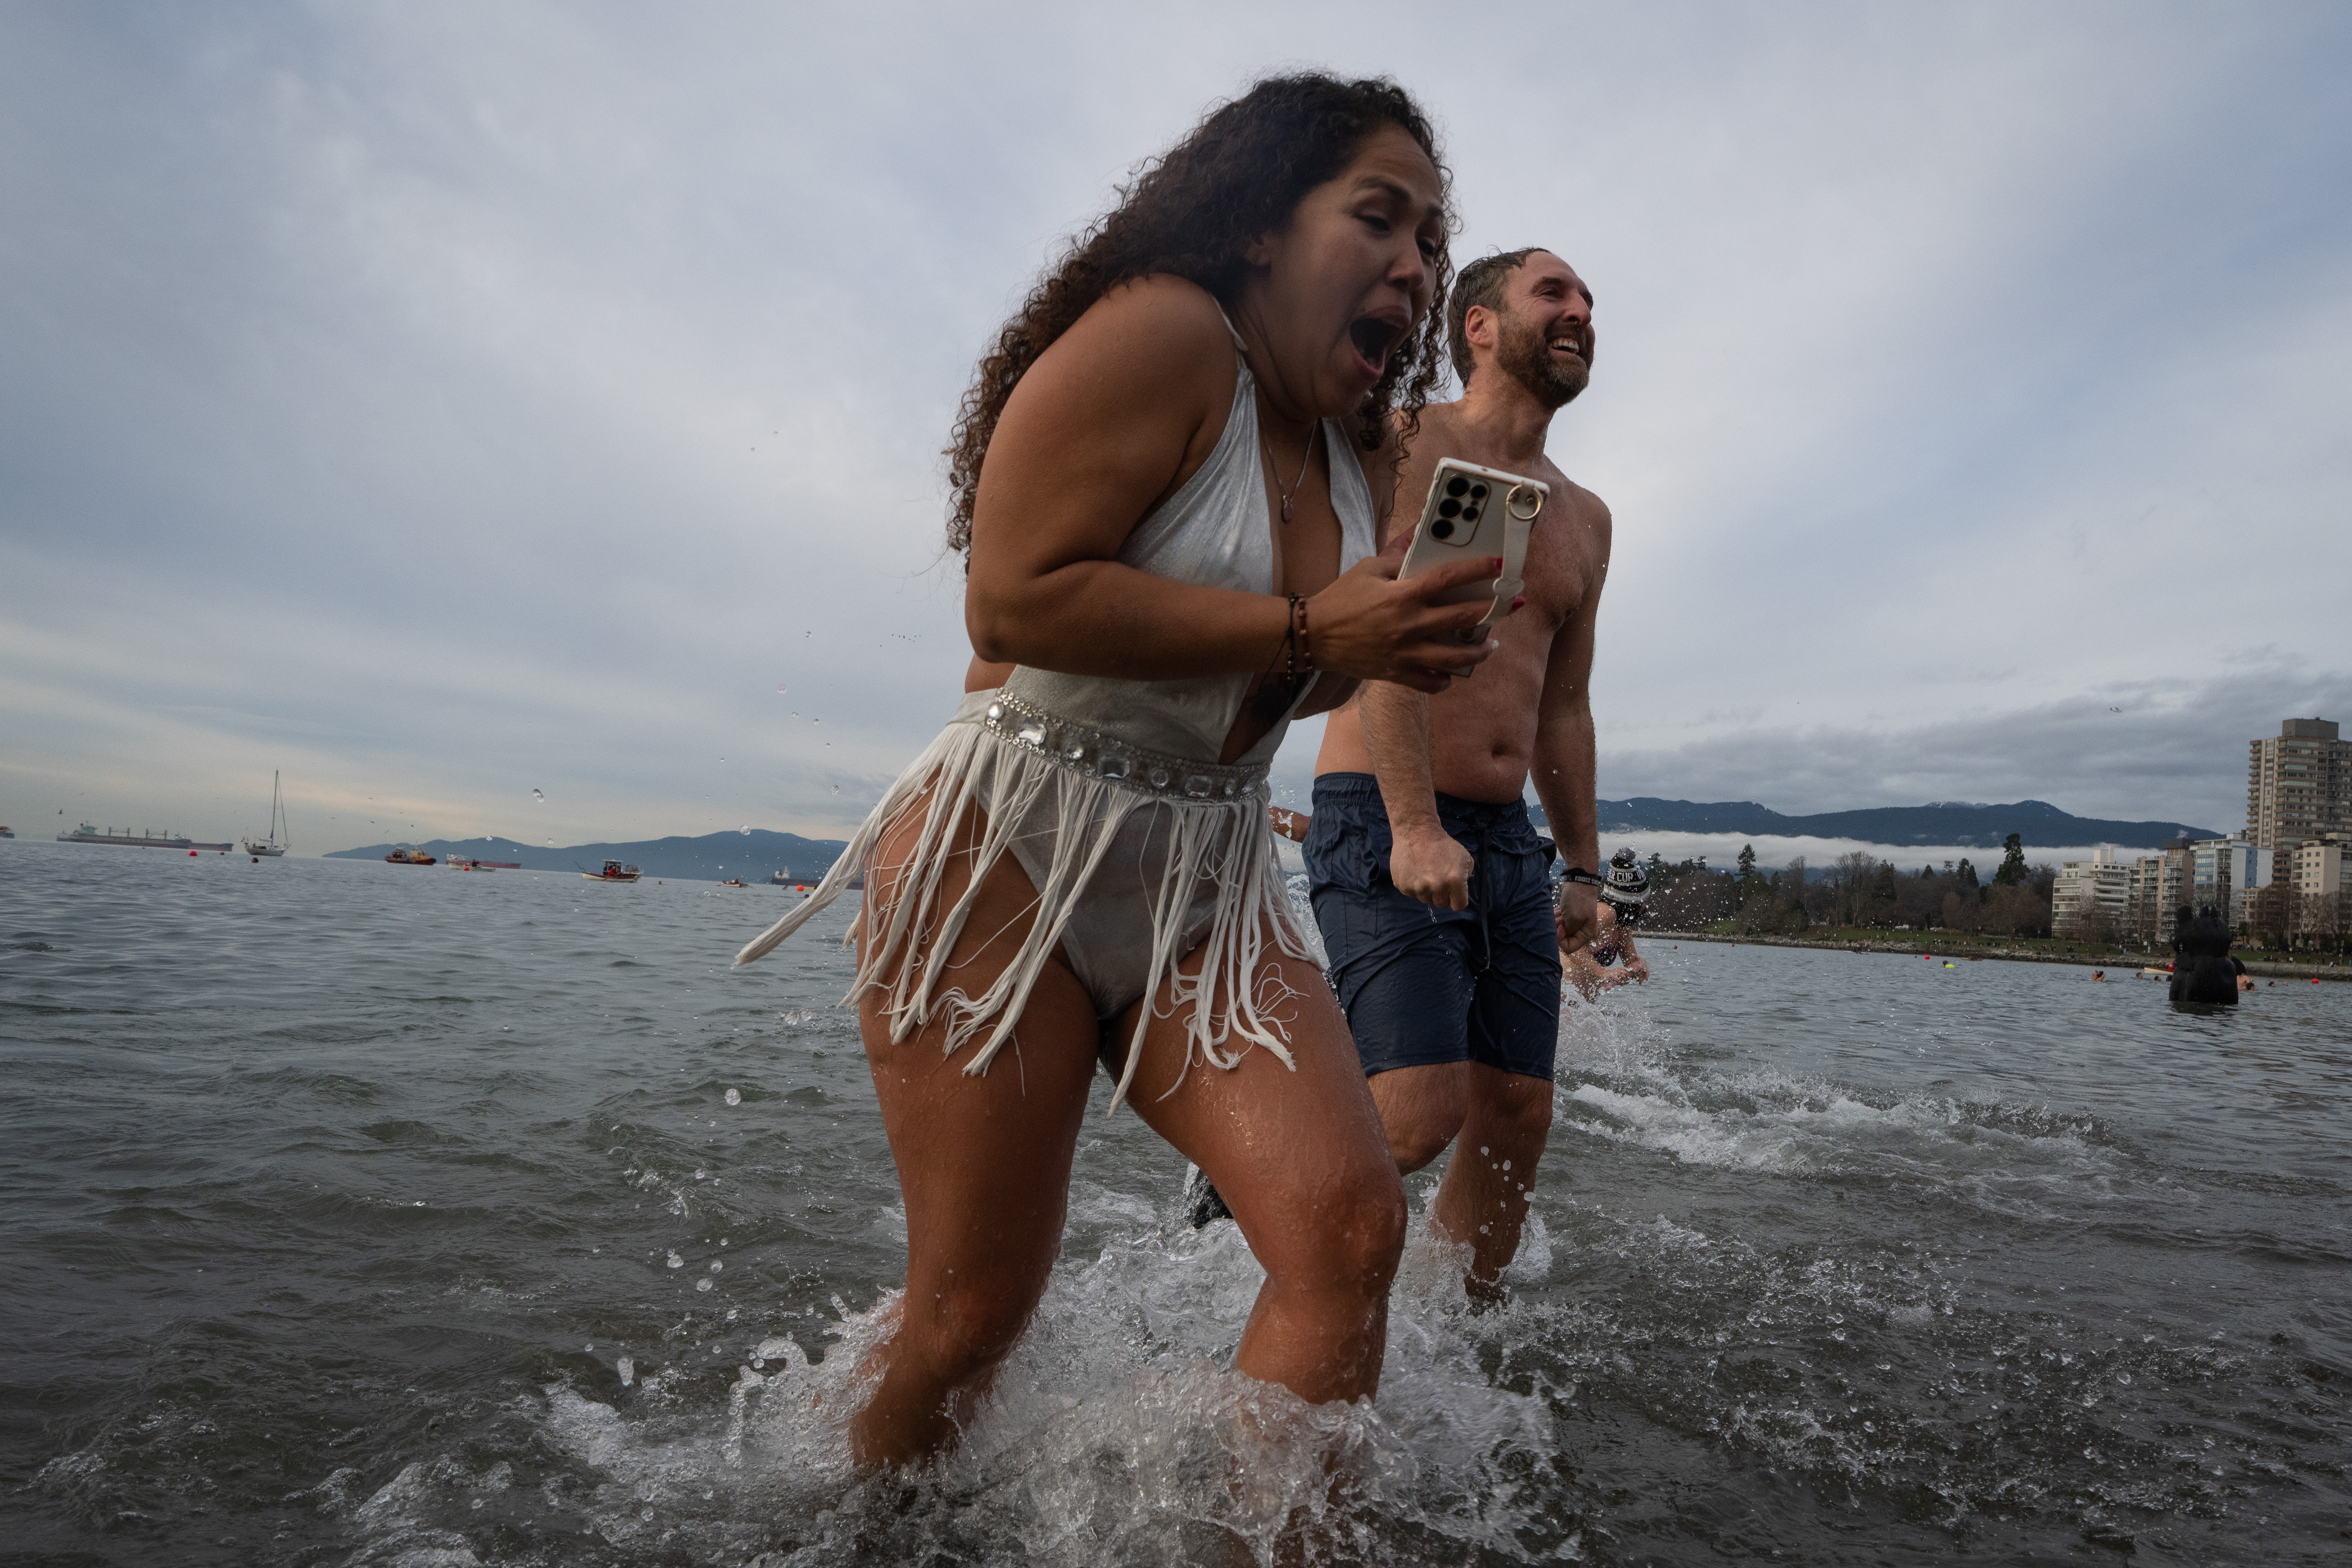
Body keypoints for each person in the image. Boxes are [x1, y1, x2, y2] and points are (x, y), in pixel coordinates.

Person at [731, 75, 1510, 1468]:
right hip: (1007, 845)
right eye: (1375, 219)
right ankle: (852, 1527)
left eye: (1428, 243)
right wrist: (1303, 624)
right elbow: (1012, 600)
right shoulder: (1162, 331)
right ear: (1261, 223)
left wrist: (1383, 639)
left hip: (1206, 878)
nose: (1410, 267)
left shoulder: (1354, 446)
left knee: (1345, 1228)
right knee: (971, 1318)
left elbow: (1285, 675)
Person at [1293, 247, 1613, 1301]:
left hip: (1506, 839)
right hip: (1383, 813)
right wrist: (1412, 822)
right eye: (1553, 293)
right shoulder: (1409, 439)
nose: (1579, 314)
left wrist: (1583, 872)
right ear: (1478, 325)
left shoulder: (1584, 519)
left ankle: (1449, 1346)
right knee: (1423, 1109)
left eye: (1588, 303)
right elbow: (1387, 631)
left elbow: (1561, 706)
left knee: (1517, 1114)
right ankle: (1266, 1238)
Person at [1564, 855, 1650, 1000]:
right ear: (1632, 901)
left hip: (1579, 1006)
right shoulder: (1605, 914)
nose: (1645, 906)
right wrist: (1603, 973)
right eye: (1644, 900)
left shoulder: (1622, 925)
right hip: (1561, 994)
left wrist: (1640, 964)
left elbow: (1630, 961)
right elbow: (1566, 945)